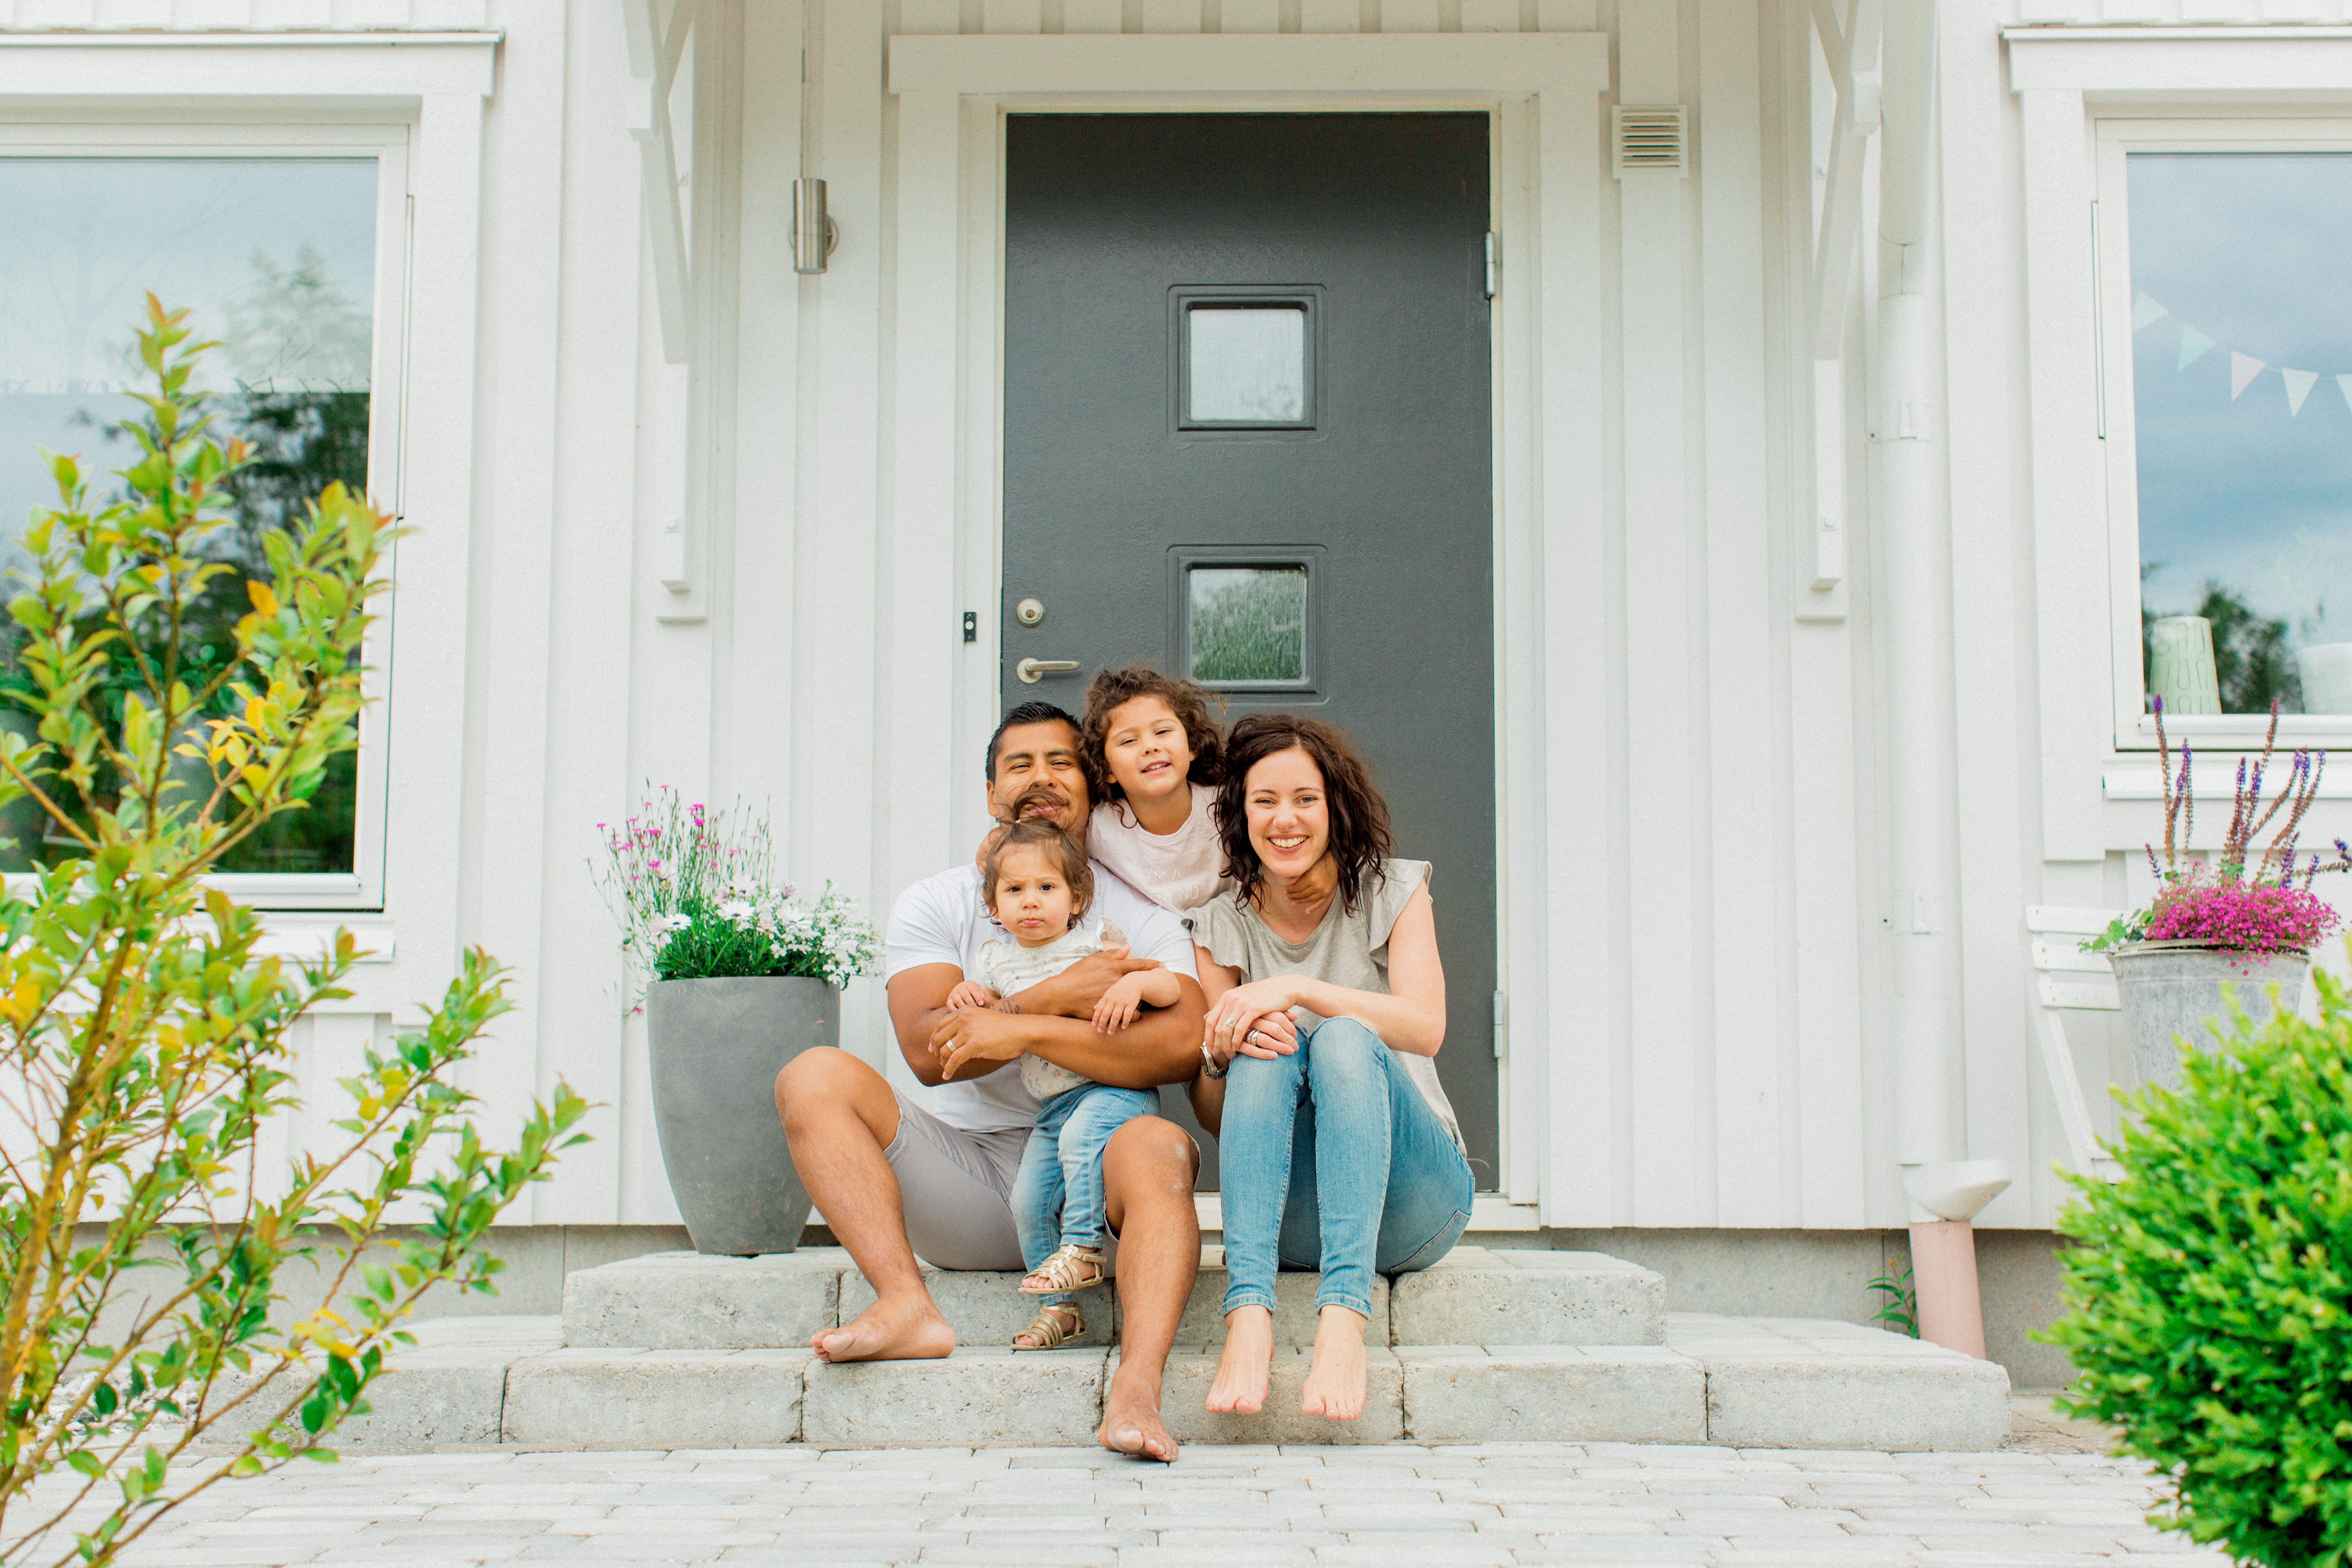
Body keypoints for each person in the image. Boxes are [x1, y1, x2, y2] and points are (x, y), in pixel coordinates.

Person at [771, 701, 1207, 1464]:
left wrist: (1021, 1029)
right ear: (988, 792)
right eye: (1019, 764)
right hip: (965, 1178)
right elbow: (926, 1047)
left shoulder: (1134, 910)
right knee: (813, 1074)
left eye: (1061, 762)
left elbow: (1179, 1042)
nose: (1040, 777)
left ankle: (1136, 1390)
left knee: (1162, 1144)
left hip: (1094, 1188)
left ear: (1094, 786)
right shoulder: (938, 901)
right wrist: (1051, 997)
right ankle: (907, 1305)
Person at [1186, 713, 1473, 1423]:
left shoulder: (1395, 892)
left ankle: (1344, 1319)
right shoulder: (1219, 924)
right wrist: (1220, 1055)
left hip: (1413, 1205)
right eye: (1265, 801)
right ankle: (1248, 1314)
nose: (1286, 820)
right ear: (1240, 813)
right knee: (1263, 1038)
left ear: (1335, 804)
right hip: (1288, 1215)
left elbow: (1426, 1028)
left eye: (1305, 799)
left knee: (1343, 1036)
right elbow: (1215, 1113)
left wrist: (1300, 987)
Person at [945, 822, 1180, 1348]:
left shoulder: (1096, 944)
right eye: (1014, 890)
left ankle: (1083, 1249)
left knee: (1081, 1144)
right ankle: (1060, 1311)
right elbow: (985, 1015)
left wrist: (1138, 983)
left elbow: (1167, 985)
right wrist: (969, 994)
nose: (1031, 902)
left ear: (1077, 898)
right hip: (1052, 1107)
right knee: (1027, 1200)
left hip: (1111, 1090)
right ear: (993, 904)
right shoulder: (995, 962)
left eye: (1046, 888)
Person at [1081, 665, 1234, 915]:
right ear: (1106, 769)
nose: (1150, 746)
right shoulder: (1100, 829)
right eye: (1129, 741)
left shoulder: (1226, 808)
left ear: (1192, 746)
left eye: (1163, 731)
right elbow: (1051, 848)